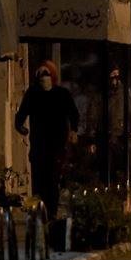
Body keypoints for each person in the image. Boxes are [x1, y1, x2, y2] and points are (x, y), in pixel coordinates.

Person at [14, 61, 79, 218]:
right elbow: (21, 115)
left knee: (52, 179)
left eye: (46, 74)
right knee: (39, 181)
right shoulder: (33, 93)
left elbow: (74, 113)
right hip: (38, 145)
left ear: (52, 76)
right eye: (40, 74)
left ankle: (51, 213)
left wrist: (73, 131)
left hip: (57, 145)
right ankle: (41, 213)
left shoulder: (62, 94)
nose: (43, 77)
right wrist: (21, 128)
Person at [107, 66, 131, 181]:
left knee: (125, 160)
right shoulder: (107, 92)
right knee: (111, 163)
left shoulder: (124, 91)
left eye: (117, 74)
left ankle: (124, 184)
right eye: (113, 74)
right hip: (110, 132)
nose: (116, 78)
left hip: (122, 131)